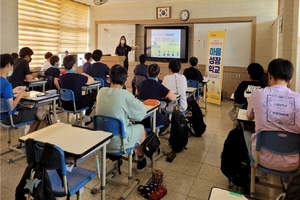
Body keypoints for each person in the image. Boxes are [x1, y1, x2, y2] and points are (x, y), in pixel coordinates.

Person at [244, 58, 300, 173]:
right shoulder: (299, 98)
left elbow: (249, 117)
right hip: (292, 163)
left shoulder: (257, 94)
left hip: (260, 158)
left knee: (244, 129)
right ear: (290, 80)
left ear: (269, 75)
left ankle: (245, 175)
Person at [95, 64, 150, 171]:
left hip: (101, 141)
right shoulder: (125, 95)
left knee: (125, 124)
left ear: (109, 78)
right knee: (141, 128)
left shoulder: (100, 92)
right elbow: (141, 114)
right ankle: (141, 159)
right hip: (119, 142)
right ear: (125, 81)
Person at [0, 54, 40, 134]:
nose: (12, 68)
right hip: (10, 117)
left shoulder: (4, 84)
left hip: (1, 117)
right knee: (40, 113)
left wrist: (12, 91)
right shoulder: (7, 85)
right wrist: (21, 95)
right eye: (12, 66)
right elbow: (11, 107)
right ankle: (28, 139)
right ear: (8, 65)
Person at [138, 63, 176, 134]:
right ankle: (155, 133)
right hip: (153, 120)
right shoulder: (160, 86)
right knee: (167, 120)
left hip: (140, 119)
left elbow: (137, 94)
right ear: (159, 74)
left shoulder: (141, 84)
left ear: (147, 74)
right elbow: (173, 98)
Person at [60, 55, 96, 125]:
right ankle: (86, 116)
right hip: (76, 105)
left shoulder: (62, 77)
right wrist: (85, 74)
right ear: (74, 65)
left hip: (65, 105)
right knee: (94, 94)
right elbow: (92, 80)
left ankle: (84, 117)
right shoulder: (78, 77)